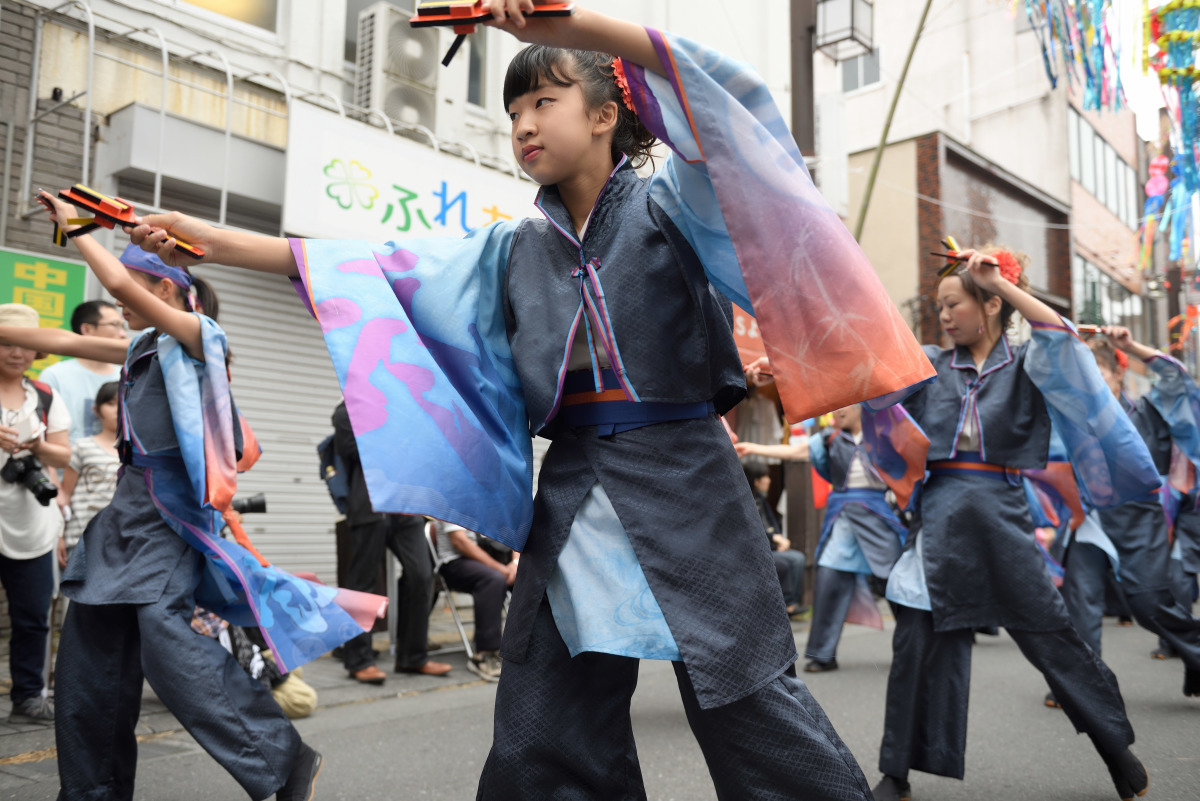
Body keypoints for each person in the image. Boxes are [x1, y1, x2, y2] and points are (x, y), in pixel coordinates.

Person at [125, 2, 938, 796]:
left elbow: (722, 113)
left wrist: (571, 27)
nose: (523, 124)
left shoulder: (673, 208)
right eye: (513, 109)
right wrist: (214, 240)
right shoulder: (512, 250)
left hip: (688, 477)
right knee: (541, 715)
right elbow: (369, 268)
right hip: (577, 487)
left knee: (747, 699)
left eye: (544, 100)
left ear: (607, 114)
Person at [2, 202, 388, 801]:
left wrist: (82, 229)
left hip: (170, 518)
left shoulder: (199, 336)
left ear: (165, 285)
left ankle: (283, 763)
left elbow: (115, 281)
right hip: (121, 522)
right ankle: (90, 792)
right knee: (87, 666)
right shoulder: (138, 349)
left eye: (132, 295)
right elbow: (53, 336)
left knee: (170, 649)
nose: (118, 311)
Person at [859, 247, 1159, 801]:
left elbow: (1059, 332)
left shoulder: (1028, 363)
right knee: (915, 642)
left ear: (992, 304)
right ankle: (894, 771)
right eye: (939, 305)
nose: (944, 315)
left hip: (1001, 510)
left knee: (1051, 637)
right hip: (942, 511)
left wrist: (994, 277)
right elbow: (866, 375)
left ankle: (1116, 749)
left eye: (955, 303)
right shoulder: (928, 364)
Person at [1067, 329, 1200, 693]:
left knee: (1149, 604)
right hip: (1090, 519)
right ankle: (1086, 688)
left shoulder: (1147, 412)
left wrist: (1131, 348)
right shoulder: (1073, 420)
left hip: (1140, 520)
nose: (1091, 385)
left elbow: (1176, 380)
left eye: (1099, 374)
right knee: (1081, 601)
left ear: (1118, 374)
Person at [747, 405, 907, 673]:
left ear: (861, 406)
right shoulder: (829, 438)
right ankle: (822, 654)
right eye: (836, 407)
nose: (838, 411)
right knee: (829, 578)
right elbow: (795, 451)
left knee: (897, 583)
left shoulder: (884, 435)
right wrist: (753, 448)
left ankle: (914, 646)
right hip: (842, 518)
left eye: (845, 405)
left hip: (878, 515)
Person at [331, 400, 451, 683]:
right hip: (369, 502)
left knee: (421, 575)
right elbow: (354, 450)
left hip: (405, 504)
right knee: (363, 582)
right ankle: (359, 659)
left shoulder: (399, 402)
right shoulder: (346, 410)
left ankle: (412, 657)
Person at [0, 303, 69, 724]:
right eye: (6, 342)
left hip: (32, 520)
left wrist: (38, 446)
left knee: (32, 615)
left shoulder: (45, 395)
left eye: (25, 344)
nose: (16, 352)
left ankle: (28, 696)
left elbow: (63, 452)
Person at [433, 518, 516, 681]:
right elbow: (459, 541)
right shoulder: (454, 496)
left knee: (531, 575)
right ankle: (485, 654)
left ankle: (527, 646)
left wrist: (516, 563)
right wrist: (500, 569)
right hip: (456, 561)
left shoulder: (495, 496)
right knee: (493, 579)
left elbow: (516, 532)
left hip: (495, 557)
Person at [37, 299, 125, 445]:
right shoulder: (54, 375)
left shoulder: (126, 375)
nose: (122, 334)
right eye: (114, 325)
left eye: (123, 326)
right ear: (87, 330)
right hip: (64, 465)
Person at [60, 381, 120, 561]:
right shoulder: (82, 447)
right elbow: (65, 495)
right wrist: (59, 537)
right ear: (96, 409)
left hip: (121, 543)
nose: (117, 409)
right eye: (111, 403)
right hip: (80, 540)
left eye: (124, 401)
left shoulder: (137, 453)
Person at [742, 461, 806, 617]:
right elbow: (755, 529)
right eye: (765, 477)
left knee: (798, 558)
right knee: (786, 563)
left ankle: (792, 603)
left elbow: (772, 522)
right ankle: (786, 605)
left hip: (772, 546)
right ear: (756, 481)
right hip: (759, 548)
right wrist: (774, 538)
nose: (769, 480)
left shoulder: (761, 499)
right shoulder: (746, 501)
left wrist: (779, 539)